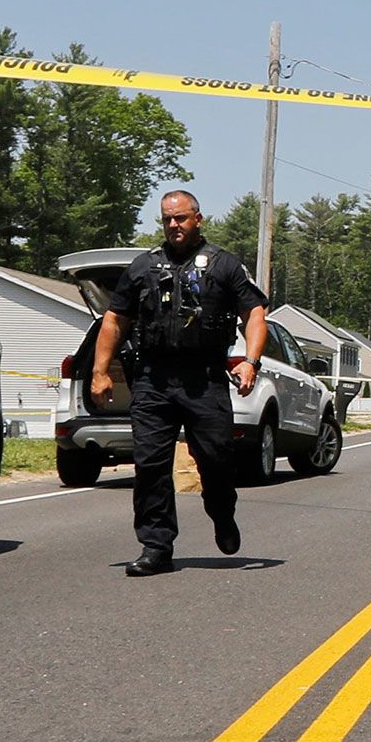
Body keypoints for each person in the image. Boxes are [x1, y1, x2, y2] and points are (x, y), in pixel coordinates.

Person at [89, 188, 267, 577]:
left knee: (216, 459)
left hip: (204, 380)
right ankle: (156, 546)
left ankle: (222, 512)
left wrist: (250, 362)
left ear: (198, 219)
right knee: (150, 464)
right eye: (167, 219)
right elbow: (114, 320)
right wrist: (100, 371)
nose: (174, 225)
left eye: (181, 218)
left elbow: (253, 312)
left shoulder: (225, 265)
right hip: (153, 380)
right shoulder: (143, 267)